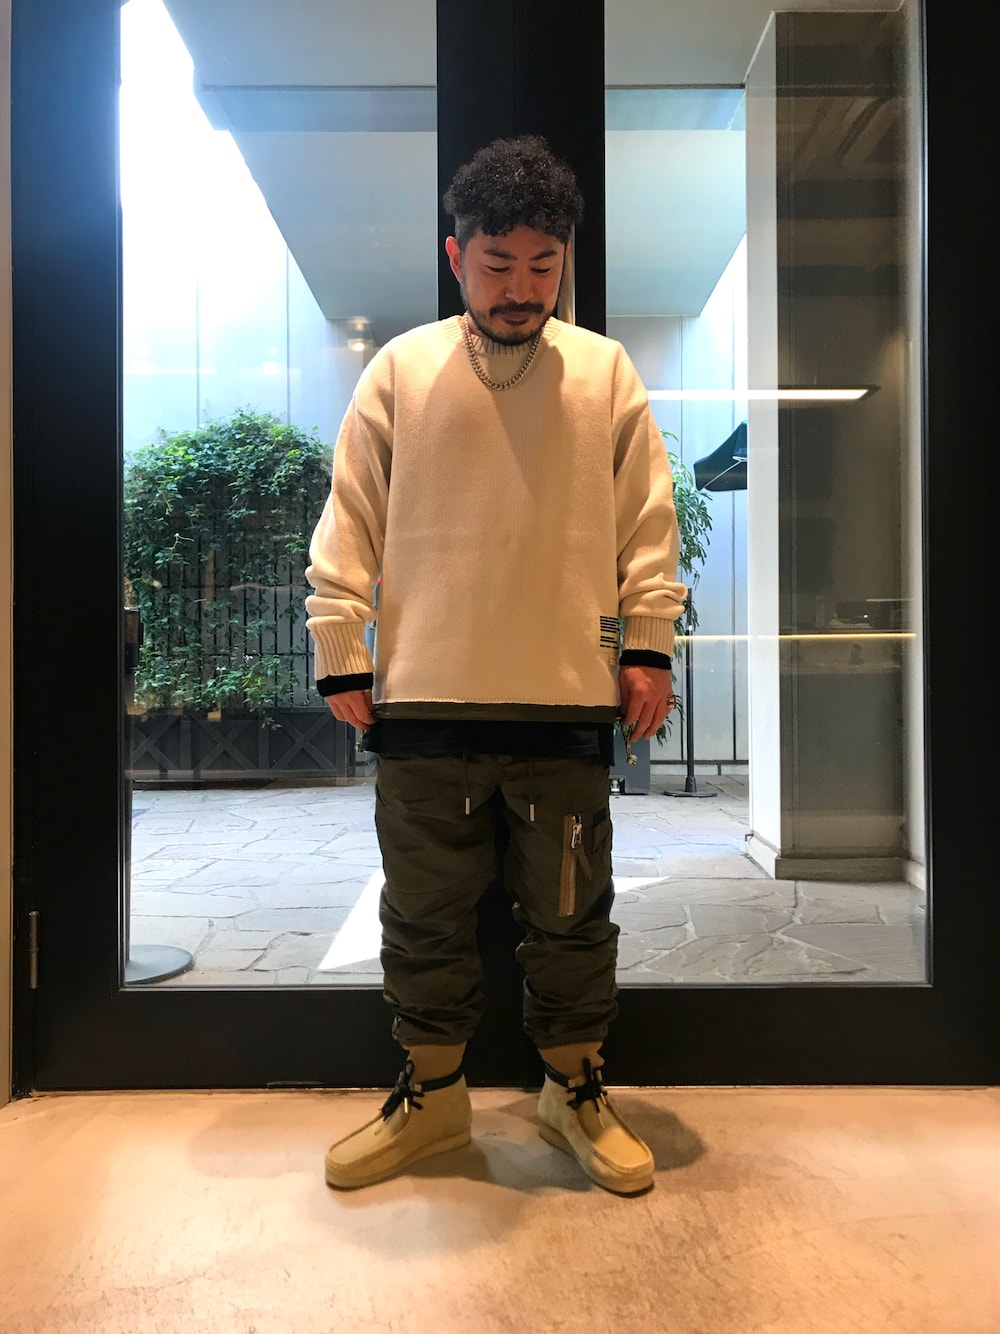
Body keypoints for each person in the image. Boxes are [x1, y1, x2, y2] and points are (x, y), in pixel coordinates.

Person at [305, 134, 687, 1196]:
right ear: (455, 255)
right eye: (497, 263)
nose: (520, 287)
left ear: (564, 261)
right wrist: (341, 647)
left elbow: (647, 524)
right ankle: (433, 1102)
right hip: (423, 700)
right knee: (422, 916)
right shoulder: (402, 369)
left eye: (542, 265)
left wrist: (647, 647)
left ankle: (574, 1092)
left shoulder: (603, 370)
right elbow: (351, 515)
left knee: (571, 917)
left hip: (564, 701)